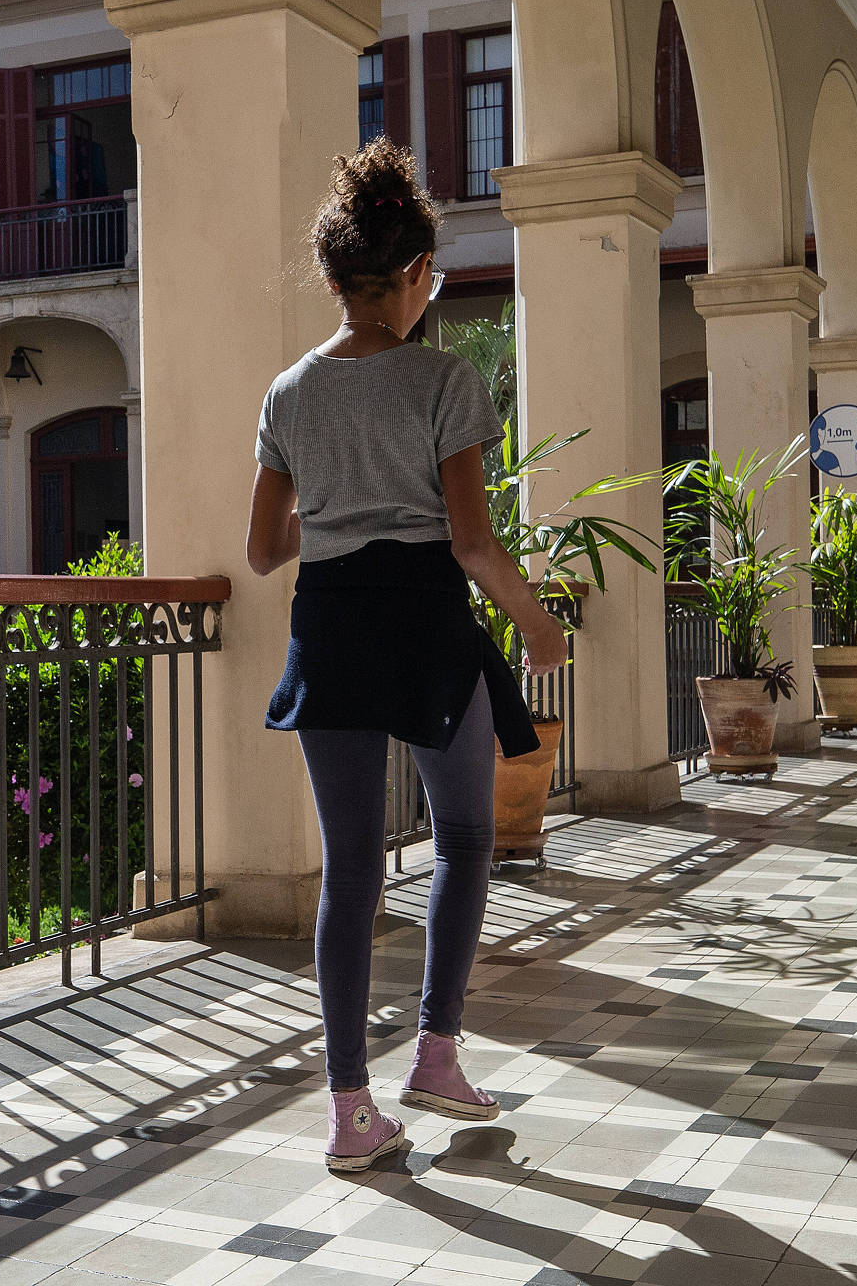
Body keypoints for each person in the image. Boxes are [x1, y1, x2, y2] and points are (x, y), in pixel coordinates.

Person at [245, 137, 568, 1173]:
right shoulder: (445, 380)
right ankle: (435, 1050)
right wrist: (534, 620)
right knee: (466, 834)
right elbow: (472, 541)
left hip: (330, 621)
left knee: (349, 872)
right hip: (428, 623)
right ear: (417, 277)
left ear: (334, 278)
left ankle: (350, 1113)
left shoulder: (288, 393)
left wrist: (337, 511)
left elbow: (262, 549)